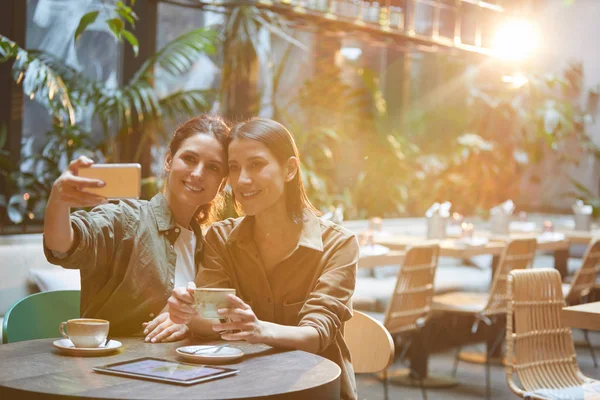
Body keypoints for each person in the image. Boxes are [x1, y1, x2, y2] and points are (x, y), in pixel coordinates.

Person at [146, 118, 359, 400]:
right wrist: (189, 315)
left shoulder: (339, 245)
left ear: (289, 169)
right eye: (234, 168)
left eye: (256, 165)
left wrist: (258, 328)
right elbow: (211, 318)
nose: (242, 180)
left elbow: (315, 334)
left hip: (313, 390)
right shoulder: (220, 239)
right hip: (241, 389)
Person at [43, 115, 230, 340]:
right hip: (113, 366)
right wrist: (59, 200)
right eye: (189, 159)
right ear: (168, 161)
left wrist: (188, 323)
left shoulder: (209, 244)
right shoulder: (128, 218)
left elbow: (218, 318)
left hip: (181, 368)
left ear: (222, 184)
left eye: (213, 167)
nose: (198, 173)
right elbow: (63, 245)